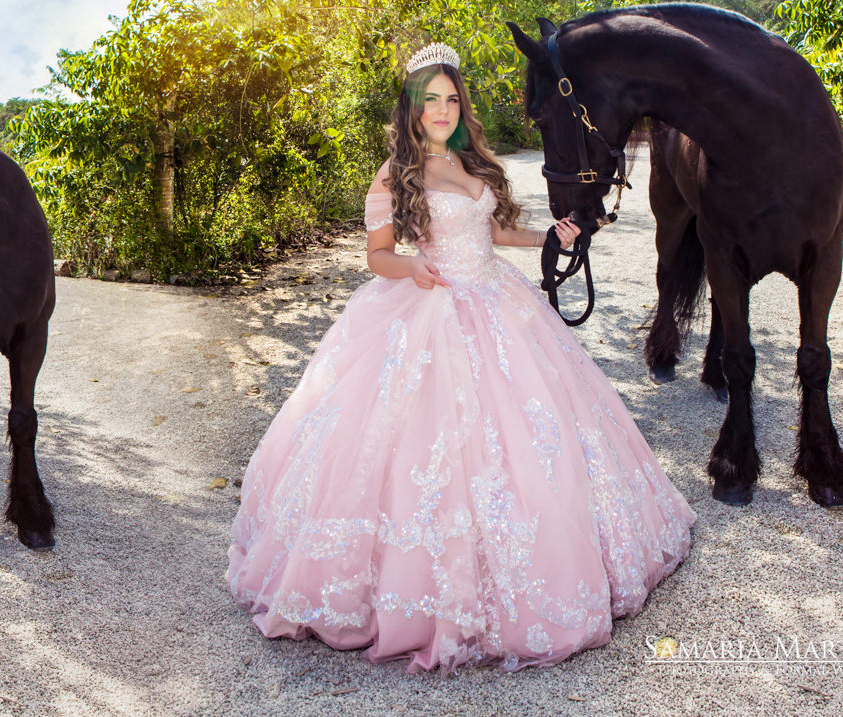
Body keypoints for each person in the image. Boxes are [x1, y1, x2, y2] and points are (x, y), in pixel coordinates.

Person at [226, 44, 695, 673]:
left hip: (497, 301)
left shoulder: (474, 162)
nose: (443, 110)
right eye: (432, 100)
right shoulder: (395, 173)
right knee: (423, 447)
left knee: (539, 433)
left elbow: (492, 232)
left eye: (452, 99)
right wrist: (411, 267)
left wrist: (545, 236)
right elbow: (377, 255)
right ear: (413, 109)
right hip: (430, 306)